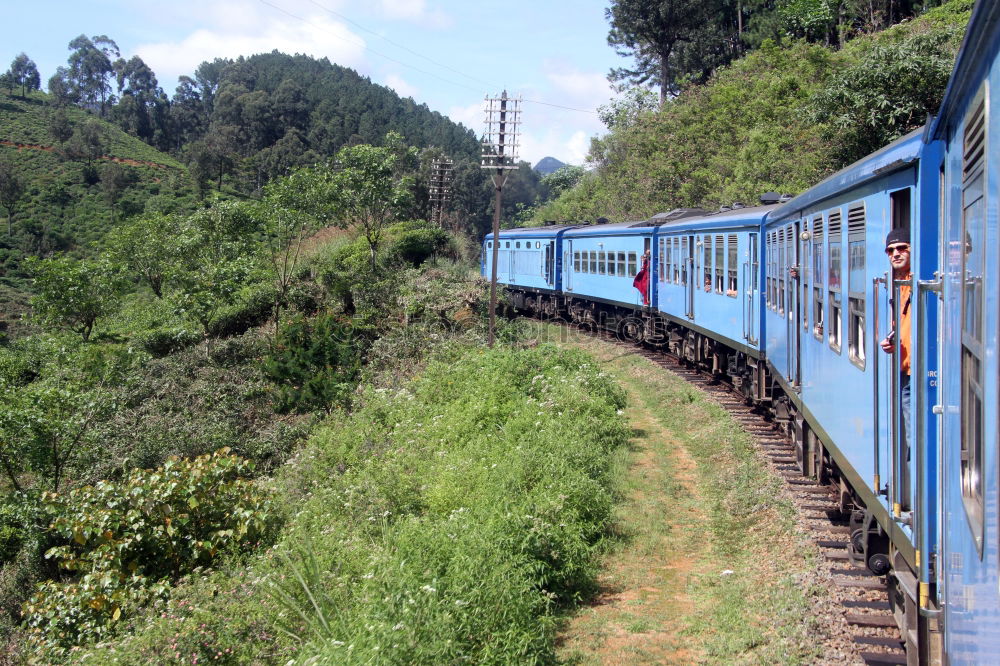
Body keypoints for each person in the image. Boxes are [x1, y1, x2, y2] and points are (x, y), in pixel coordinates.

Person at [880, 228, 912, 457]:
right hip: (905, 367)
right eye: (891, 250)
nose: (896, 254)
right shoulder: (898, 282)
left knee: (914, 436)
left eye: (902, 248)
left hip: (916, 371)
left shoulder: (916, 280)